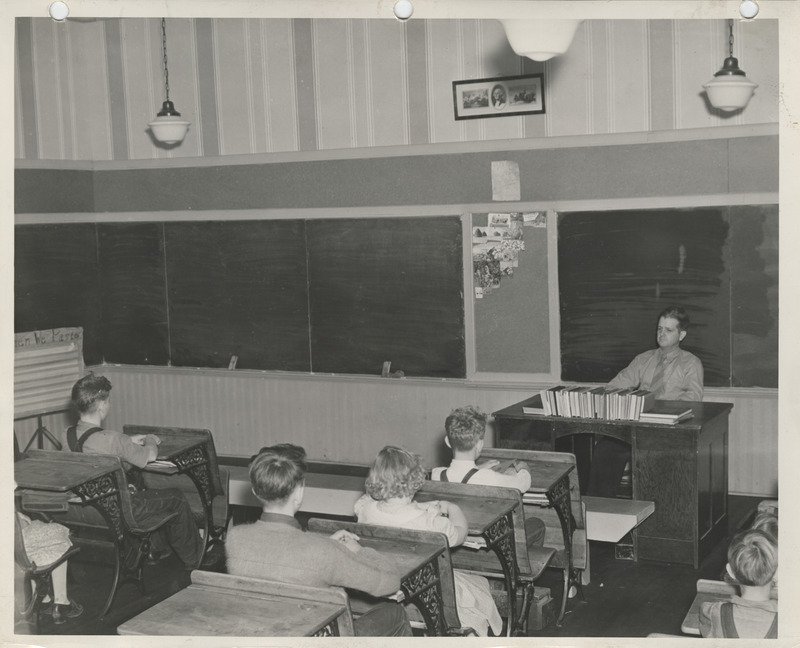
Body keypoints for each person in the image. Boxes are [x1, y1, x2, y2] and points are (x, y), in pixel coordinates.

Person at [225, 443, 411, 637]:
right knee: (394, 612)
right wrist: (356, 550)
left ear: (255, 492)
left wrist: (323, 543)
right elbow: (390, 583)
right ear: (299, 491)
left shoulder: (235, 539)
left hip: (264, 633)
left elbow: (281, 557)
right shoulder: (323, 552)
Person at [355, 445, 503, 636]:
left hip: (384, 583)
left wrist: (418, 506)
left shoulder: (366, 510)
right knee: (477, 586)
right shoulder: (430, 522)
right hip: (427, 593)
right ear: (415, 479)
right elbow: (459, 534)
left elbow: (370, 502)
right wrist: (452, 508)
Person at [68, 373, 209, 571]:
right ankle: (196, 560)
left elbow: (98, 445)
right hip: (121, 511)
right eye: (107, 401)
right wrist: (150, 439)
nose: (109, 405)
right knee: (176, 497)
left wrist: (128, 441)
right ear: (101, 406)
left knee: (140, 484)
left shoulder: (69, 434)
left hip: (91, 508)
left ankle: (155, 549)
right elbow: (149, 456)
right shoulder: (113, 439)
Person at [587, 306, 704, 497]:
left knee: (656, 459)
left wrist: (658, 406)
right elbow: (613, 386)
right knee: (605, 450)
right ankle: (597, 510)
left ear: (681, 335)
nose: (661, 334)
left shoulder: (691, 363)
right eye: (659, 329)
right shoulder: (643, 359)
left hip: (668, 432)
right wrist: (631, 400)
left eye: (668, 330)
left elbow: (694, 399)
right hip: (635, 428)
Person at [431, 405, 546, 546]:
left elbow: (458, 475)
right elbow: (522, 484)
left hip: (456, 540)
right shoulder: (489, 477)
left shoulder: (436, 474)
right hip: (493, 544)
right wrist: (524, 469)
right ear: (480, 445)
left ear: (448, 442)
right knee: (537, 524)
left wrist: (477, 468)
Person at [699, 529, 778, 638]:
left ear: (730, 571)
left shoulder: (716, 612)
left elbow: (705, 617)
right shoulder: (790, 621)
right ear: (777, 572)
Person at [16, 512, 83, 624]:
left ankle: (43, 601)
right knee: (63, 537)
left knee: (45, 542)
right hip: (22, 545)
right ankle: (61, 602)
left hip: (16, 553)